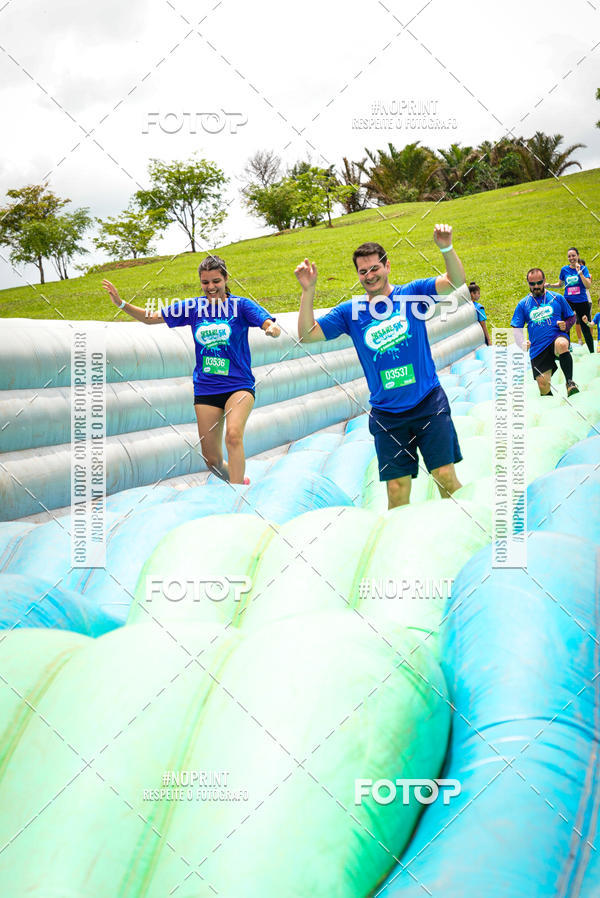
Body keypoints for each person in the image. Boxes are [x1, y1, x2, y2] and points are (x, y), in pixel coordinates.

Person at [296, 224, 465, 509]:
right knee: (397, 490)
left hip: (428, 402)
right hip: (388, 415)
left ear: (387, 266)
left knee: (444, 475)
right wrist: (308, 291)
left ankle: (466, 526)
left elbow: (456, 281)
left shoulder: (411, 295)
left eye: (374, 268)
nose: (369, 276)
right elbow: (307, 334)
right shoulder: (351, 312)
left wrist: (446, 247)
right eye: (363, 272)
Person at [102, 255, 280, 484]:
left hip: (239, 385)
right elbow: (151, 318)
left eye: (216, 281)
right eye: (206, 282)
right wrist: (121, 303)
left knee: (234, 436)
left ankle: (239, 496)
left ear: (225, 279)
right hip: (207, 388)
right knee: (212, 460)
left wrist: (272, 329)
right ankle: (239, 480)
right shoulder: (193, 307)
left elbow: (268, 323)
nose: (211, 287)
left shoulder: (241, 306)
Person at [511, 268, 578, 397]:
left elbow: (571, 317)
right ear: (528, 283)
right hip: (538, 347)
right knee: (543, 385)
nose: (536, 286)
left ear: (544, 281)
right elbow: (516, 328)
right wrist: (521, 342)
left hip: (556, 337)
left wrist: (566, 325)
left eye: (539, 282)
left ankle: (570, 383)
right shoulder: (523, 304)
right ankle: (551, 408)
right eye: (532, 284)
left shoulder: (557, 298)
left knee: (562, 344)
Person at [546, 247, 593, 352]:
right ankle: (566, 348)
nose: (571, 258)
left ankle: (591, 351)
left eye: (573, 255)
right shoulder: (564, 270)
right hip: (568, 301)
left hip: (582, 301)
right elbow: (560, 284)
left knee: (585, 326)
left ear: (578, 256)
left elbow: (588, 285)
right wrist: (548, 285)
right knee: (565, 325)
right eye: (569, 256)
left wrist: (580, 273)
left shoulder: (584, 269)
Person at [468, 281, 491, 346]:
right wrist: (489, 340)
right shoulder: (479, 308)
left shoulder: (464, 307)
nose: (479, 295)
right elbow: (483, 325)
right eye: (478, 293)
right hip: (480, 337)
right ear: (472, 294)